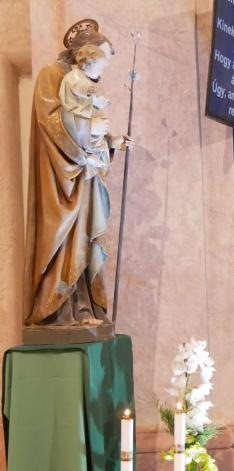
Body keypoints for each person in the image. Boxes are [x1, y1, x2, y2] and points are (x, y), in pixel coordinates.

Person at [23, 22, 130, 327]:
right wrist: (88, 128)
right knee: (64, 240)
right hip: (61, 179)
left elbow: (88, 122)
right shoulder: (52, 74)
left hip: (85, 177)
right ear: (87, 53)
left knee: (86, 239)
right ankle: (56, 312)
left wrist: (109, 142)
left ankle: (84, 308)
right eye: (103, 59)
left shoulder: (84, 80)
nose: (104, 68)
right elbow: (50, 122)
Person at [58, 44, 111, 180]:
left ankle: (91, 158)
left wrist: (101, 102)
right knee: (84, 135)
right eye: (100, 68)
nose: (101, 72)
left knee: (97, 134)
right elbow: (78, 87)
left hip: (82, 114)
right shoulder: (74, 76)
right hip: (75, 113)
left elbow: (92, 99)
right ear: (87, 64)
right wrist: (87, 89)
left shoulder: (83, 78)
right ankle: (88, 157)